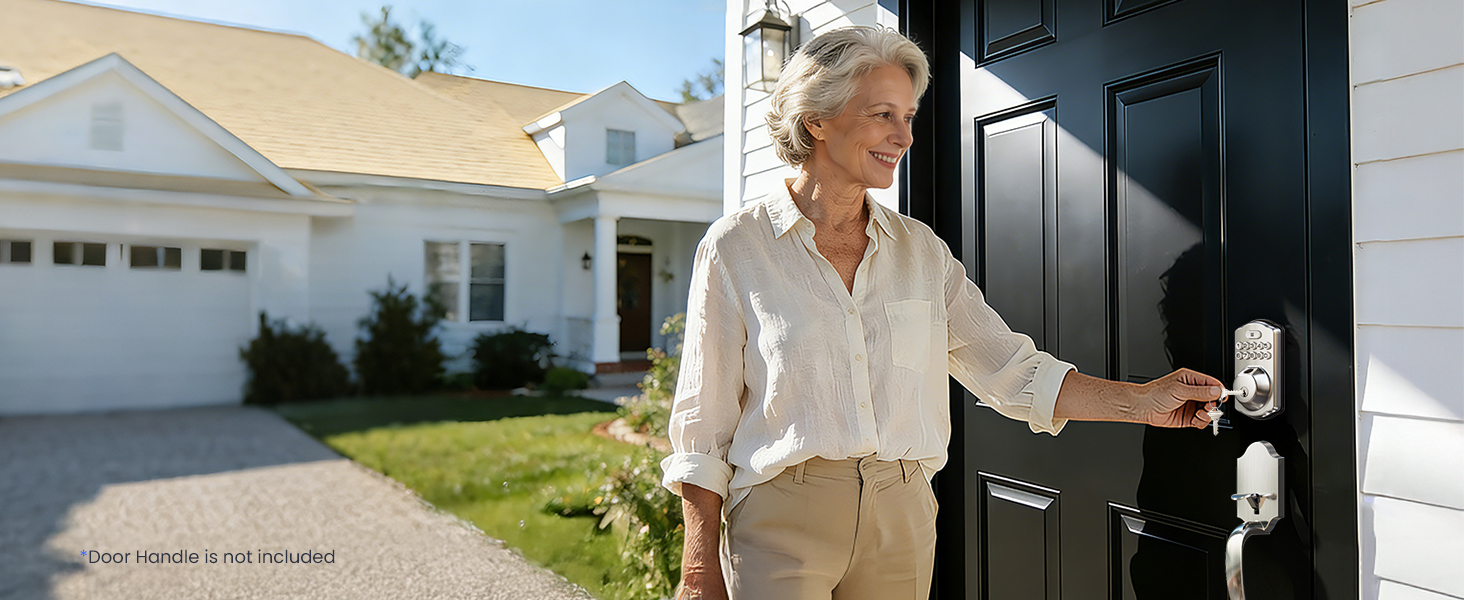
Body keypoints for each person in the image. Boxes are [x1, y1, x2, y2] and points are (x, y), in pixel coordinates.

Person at [660, 26, 1227, 600]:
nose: (903, 136)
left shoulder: (920, 252)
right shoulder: (738, 246)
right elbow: (703, 426)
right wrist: (697, 570)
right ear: (817, 120)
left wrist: (1143, 402)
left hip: (901, 515)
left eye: (908, 116)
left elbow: (1011, 371)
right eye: (882, 114)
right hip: (780, 517)